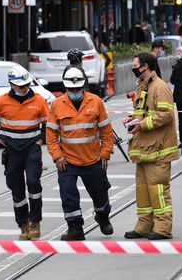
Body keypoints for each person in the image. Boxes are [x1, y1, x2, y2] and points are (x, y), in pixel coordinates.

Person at [46, 67, 114, 240]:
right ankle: (75, 227)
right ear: (66, 88)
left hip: (93, 159)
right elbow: (51, 135)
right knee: (68, 194)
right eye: (71, 89)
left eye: (77, 89)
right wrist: (57, 156)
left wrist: (105, 153)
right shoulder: (57, 105)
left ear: (83, 86)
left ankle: (102, 216)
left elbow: (106, 131)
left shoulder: (95, 101)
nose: (75, 92)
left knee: (100, 192)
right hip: (68, 161)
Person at [0, 68, 49, 240]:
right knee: (16, 187)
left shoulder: (38, 100)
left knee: (33, 183)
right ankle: (23, 224)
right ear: (11, 84)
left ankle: (35, 221)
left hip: (31, 148)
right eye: (20, 86)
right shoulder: (2, 101)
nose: (24, 88)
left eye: (26, 85)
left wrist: (41, 139)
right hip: (12, 150)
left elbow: (49, 124)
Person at [123, 53, 179, 240]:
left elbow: (166, 115)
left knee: (158, 190)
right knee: (143, 190)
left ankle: (163, 227)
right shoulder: (143, 86)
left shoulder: (160, 87)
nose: (133, 68)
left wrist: (142, 124)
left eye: (135, 65)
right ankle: (144, 225)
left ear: (145, 66)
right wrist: (132, 120)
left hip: (159, 150)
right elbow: (143, 113)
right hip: (145, 149)